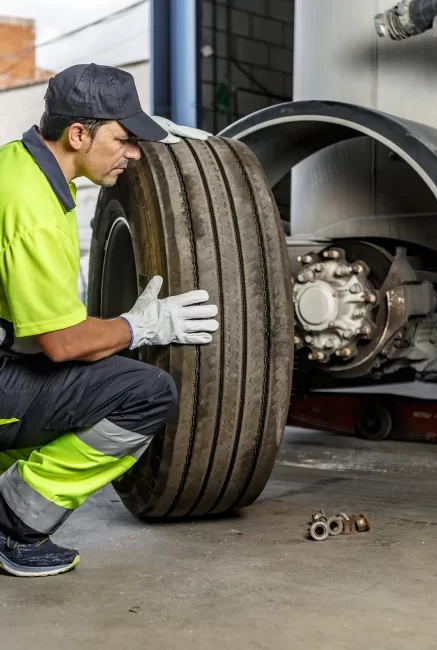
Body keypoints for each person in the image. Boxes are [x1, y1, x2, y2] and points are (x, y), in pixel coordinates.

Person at [0, 64, 219, 578]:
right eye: (124, 139)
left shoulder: (19, 166)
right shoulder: (31, 209)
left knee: (66, 395)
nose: (135, 154)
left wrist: (142, 132)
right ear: (78, 133)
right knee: (146, 393)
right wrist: (142, 325)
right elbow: (62, 344)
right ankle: (14, 522)